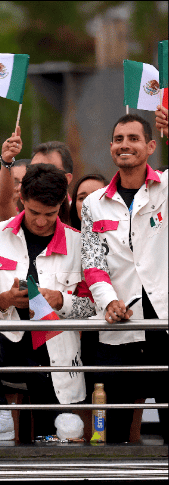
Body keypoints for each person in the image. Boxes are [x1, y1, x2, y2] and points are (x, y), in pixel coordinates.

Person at [0, 164, 95, 442]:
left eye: (50, 214)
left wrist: (60, 300)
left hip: (55, 352)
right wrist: (3, 300)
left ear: (62, 204)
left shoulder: (79, 242)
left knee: (55, 439)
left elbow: (92, 306)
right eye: (33, 212)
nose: (41, 221)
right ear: (21, 199)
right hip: (8, 340)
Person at [81, 114, 167, 442]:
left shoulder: (166, 187)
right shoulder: (93, 203)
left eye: (133, 138)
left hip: (163, 322)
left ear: (150, 146)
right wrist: (107, 300)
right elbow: (92, 263)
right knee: (114, 431)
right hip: (120, 324)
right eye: (118, 139)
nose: (124, 145)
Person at [0, 127, 74, 223]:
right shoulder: (18, 210)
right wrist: (6, 161)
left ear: (67, 179)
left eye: (48, 171)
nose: (40, 222)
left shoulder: (79, 215)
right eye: (33, 170)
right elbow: (4, 202)